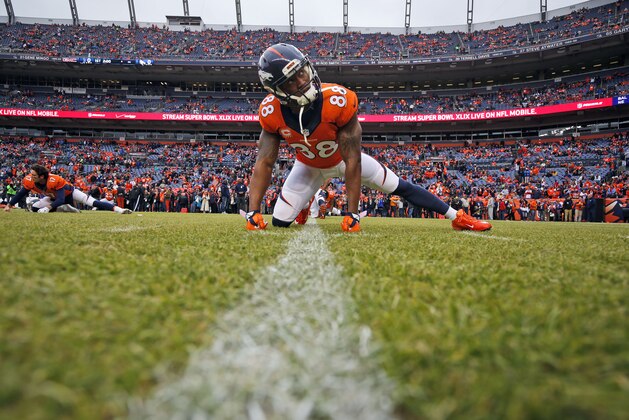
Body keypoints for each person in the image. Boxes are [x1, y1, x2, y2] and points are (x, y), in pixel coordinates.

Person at [245, 43, 491, 232]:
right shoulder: (271, 112)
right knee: (279, 222)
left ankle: (457, 217)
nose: (303, 81)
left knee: (399, 186)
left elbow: (353, 161)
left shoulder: (338, 100)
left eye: (302, 72)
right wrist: (253, 211)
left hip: (343, 160)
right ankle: (306, 202)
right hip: (307, 165)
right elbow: (264, 163)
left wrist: (352, 214)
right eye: (291, 81)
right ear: (276, 89)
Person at [3, 164, 132, 214]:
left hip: (69, 193)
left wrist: (48, 207)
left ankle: (119, 210)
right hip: (52, 197)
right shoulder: (30, 181)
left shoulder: (55, 180)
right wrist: (9, 205)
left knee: (92, 202)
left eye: (34, 175)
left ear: (42, 176)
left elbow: (60, 198)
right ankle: (63, 209)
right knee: (36, 209)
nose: (31, 177)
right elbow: (21, 194)